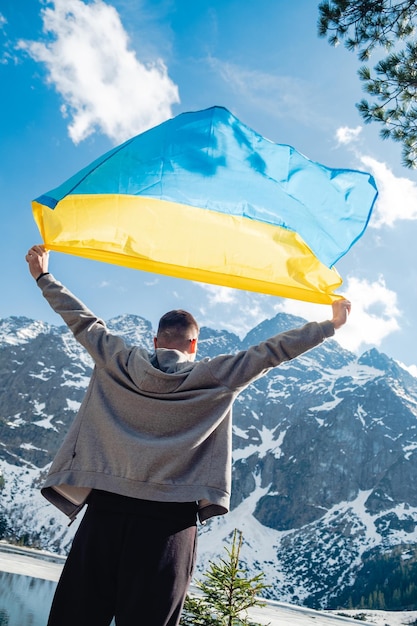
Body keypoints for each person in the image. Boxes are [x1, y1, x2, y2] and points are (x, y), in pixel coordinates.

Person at [25, 244, 351, 626]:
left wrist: (43, 276)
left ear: (156, 341)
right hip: (169, 524)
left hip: (105, 512)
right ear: (194, 345)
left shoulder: (118, 359)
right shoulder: (217, 375)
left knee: (75, 617)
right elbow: (272, 351)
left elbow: (82, 320)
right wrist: (331, 325)